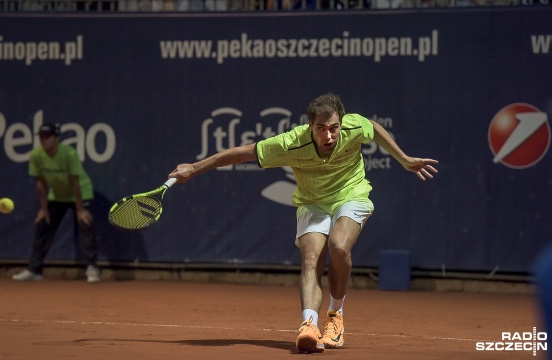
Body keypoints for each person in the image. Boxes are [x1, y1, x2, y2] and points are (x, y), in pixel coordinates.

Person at [168, 93, 438, 353]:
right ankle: (308, 325)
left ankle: (335, 315)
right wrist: (194, 167)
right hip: (312, 203)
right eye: (321, 128)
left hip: (352, 195)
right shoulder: (290, 143)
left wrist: (403, 159)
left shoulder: (354, 126)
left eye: (334, 127)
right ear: (310, 126)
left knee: (339, 247)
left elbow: (374, 128)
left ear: (342, 123)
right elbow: (241, 153)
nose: (329, 135)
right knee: (311, 260)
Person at [12, 123, 101, 283]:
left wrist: (80, 210)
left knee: (85, 225)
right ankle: (34, 270)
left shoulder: (69, 154)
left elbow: (75, 183)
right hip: (58, 195)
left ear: (57, 138)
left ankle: (92, 268)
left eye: (48, 137)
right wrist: (44, 209)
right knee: (42, 224)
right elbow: (40, 183)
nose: (44, 140)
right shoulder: (36, 155)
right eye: (41, 137)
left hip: (80, 192)